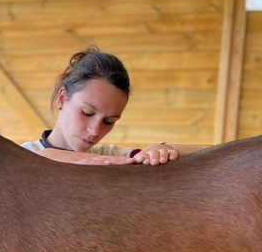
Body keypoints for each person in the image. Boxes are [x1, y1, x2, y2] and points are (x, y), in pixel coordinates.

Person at [22, 46, 201, 166]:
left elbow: (222, 151)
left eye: (109, 121)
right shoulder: (21, 157)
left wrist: (167, 147)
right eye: (87, 112)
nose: (95, 131)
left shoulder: (110, 157)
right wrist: (44, 158)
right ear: (61, 98)